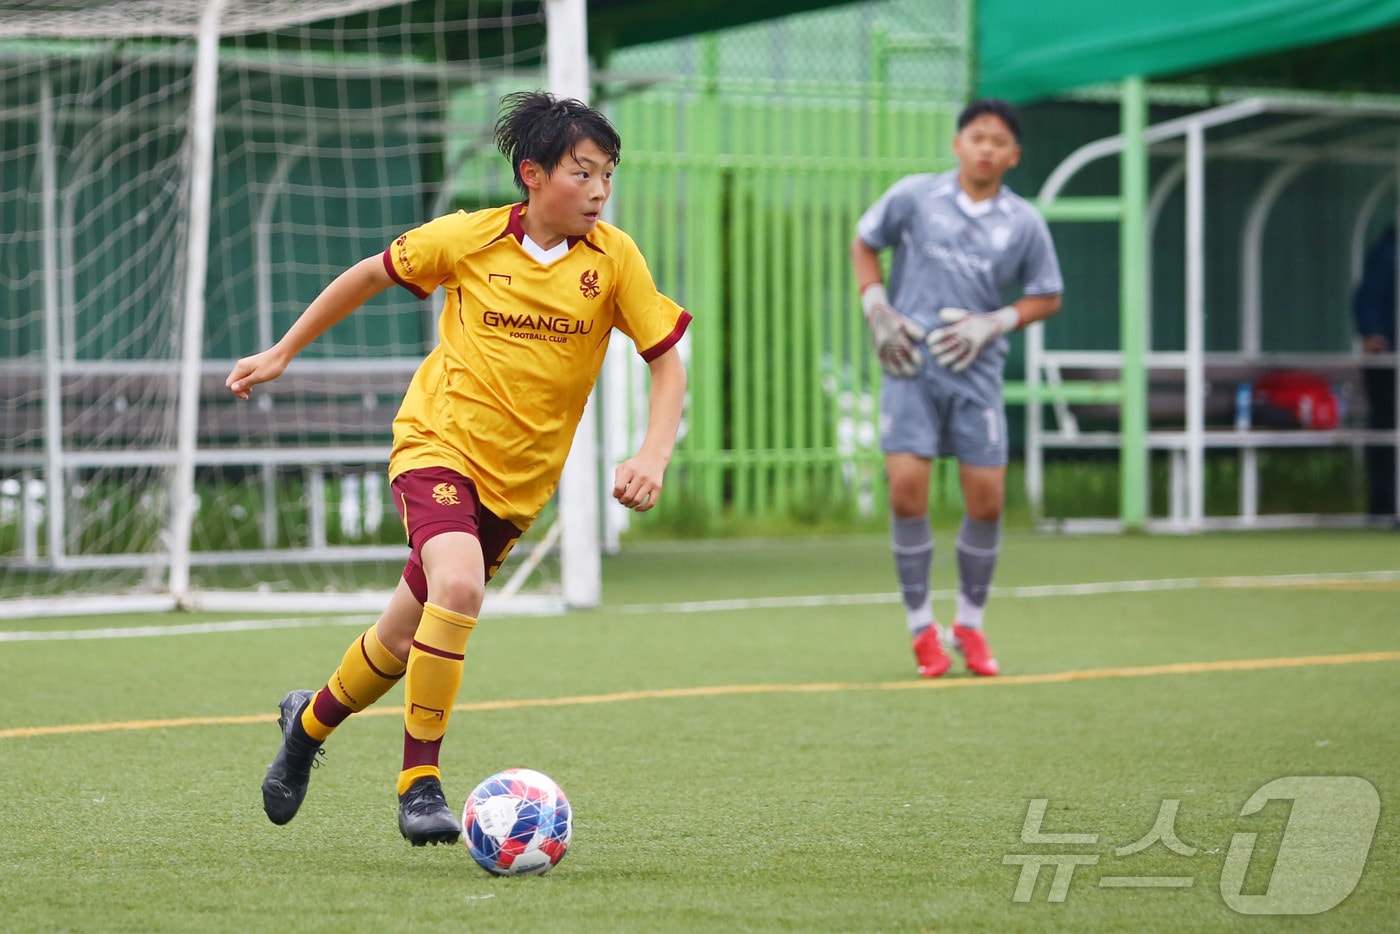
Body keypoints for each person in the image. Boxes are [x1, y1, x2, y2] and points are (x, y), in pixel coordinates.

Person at [226, 90, 690, 845]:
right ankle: (419, 785)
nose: (601, 190)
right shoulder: (467, 239)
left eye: (609, 173)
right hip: (435, 445)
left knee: (403, 640)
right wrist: (282, 352)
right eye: (585, 172)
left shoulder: (614, 260)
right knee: (460, 585)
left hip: (517, 484)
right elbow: (369, 273)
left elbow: (665, 363)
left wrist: (652, 453)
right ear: (533, 175)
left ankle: (306, 725)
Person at [850, 98, 1062, 679]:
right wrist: (877, 307)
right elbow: (865, 242)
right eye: (977, 137)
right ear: (957, 143)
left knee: (988, 500)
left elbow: (1047, 293)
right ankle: (922, 629)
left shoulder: (1023, 222)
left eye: (998, 141)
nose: (986, 148)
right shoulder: (916, 196)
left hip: (978, 373)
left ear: (1013, 156)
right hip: (911, 367)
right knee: (906, 493)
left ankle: (969, 621)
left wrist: (994, 322)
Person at [1353, 225, 1397, 518]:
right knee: (1385, 428)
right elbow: (1366, 299)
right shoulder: (1388, 253)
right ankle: (1385, 503)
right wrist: (1373, 333)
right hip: (1388, 362)